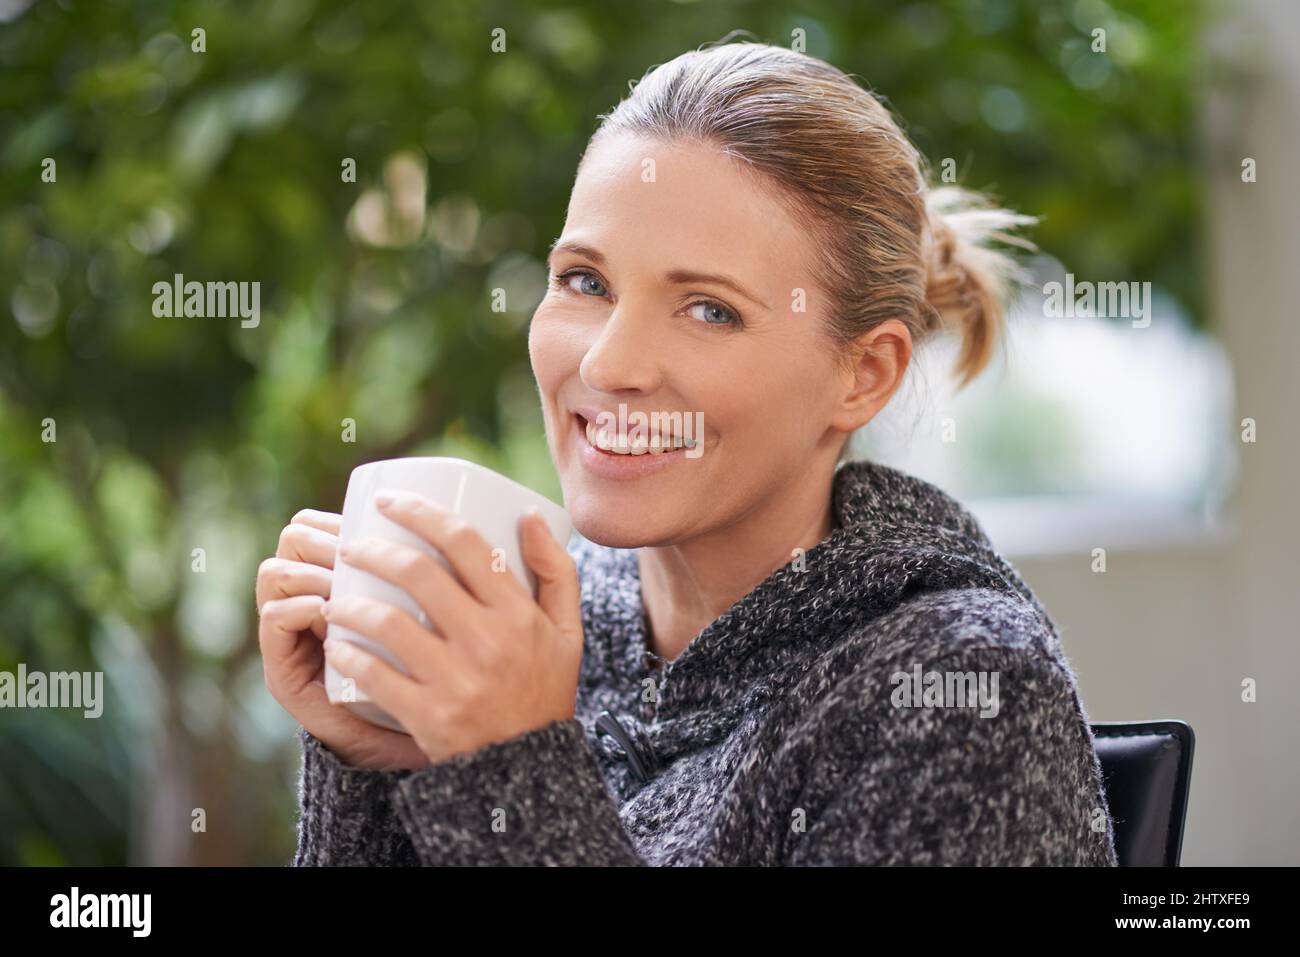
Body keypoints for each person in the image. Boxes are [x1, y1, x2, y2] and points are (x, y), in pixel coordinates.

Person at [259, 40, 1118, 866]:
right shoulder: (540, 621)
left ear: (864, 373)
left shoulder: (962, 687)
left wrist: (513, 770)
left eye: (709, 309)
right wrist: (376, 758)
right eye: (586, 282)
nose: (608, 365)